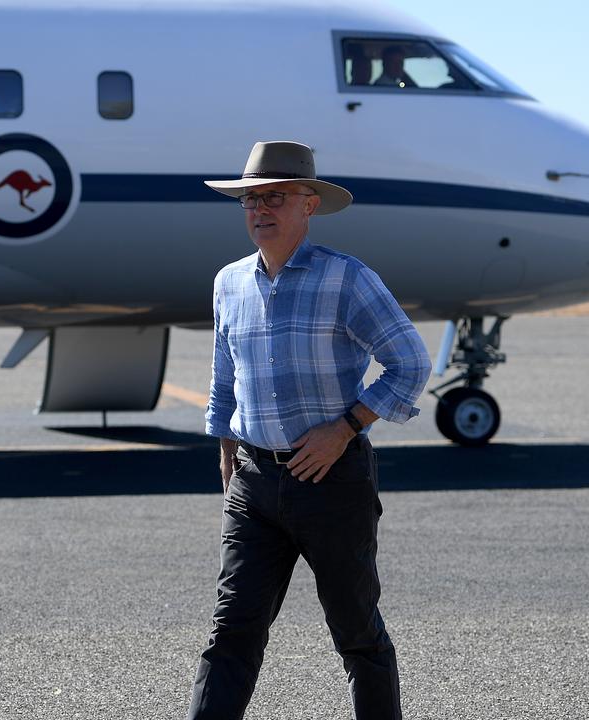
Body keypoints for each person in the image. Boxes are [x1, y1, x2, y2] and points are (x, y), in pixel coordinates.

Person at [186, 141, 431, 720]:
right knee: (231, 632)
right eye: (250, 198)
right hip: (253, 484)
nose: (259, 209)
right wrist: (227, 446)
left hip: (330, 480)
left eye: (274, 197)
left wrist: (345, 428)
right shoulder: (230, 283)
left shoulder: (347, 279)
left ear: (309, 206)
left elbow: (411, 362)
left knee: (356, 633)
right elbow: (226, 377)